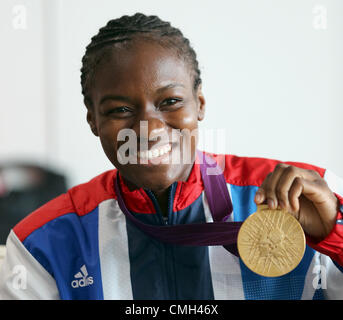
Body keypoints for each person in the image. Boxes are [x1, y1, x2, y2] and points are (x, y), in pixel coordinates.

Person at [0, 12, 343, 300]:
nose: (148, 129)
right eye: (120, 109)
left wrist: (334, 236)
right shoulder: (42, 243)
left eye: (170, 102)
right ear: (93, 119)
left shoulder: (306, 197)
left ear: (200, 104)